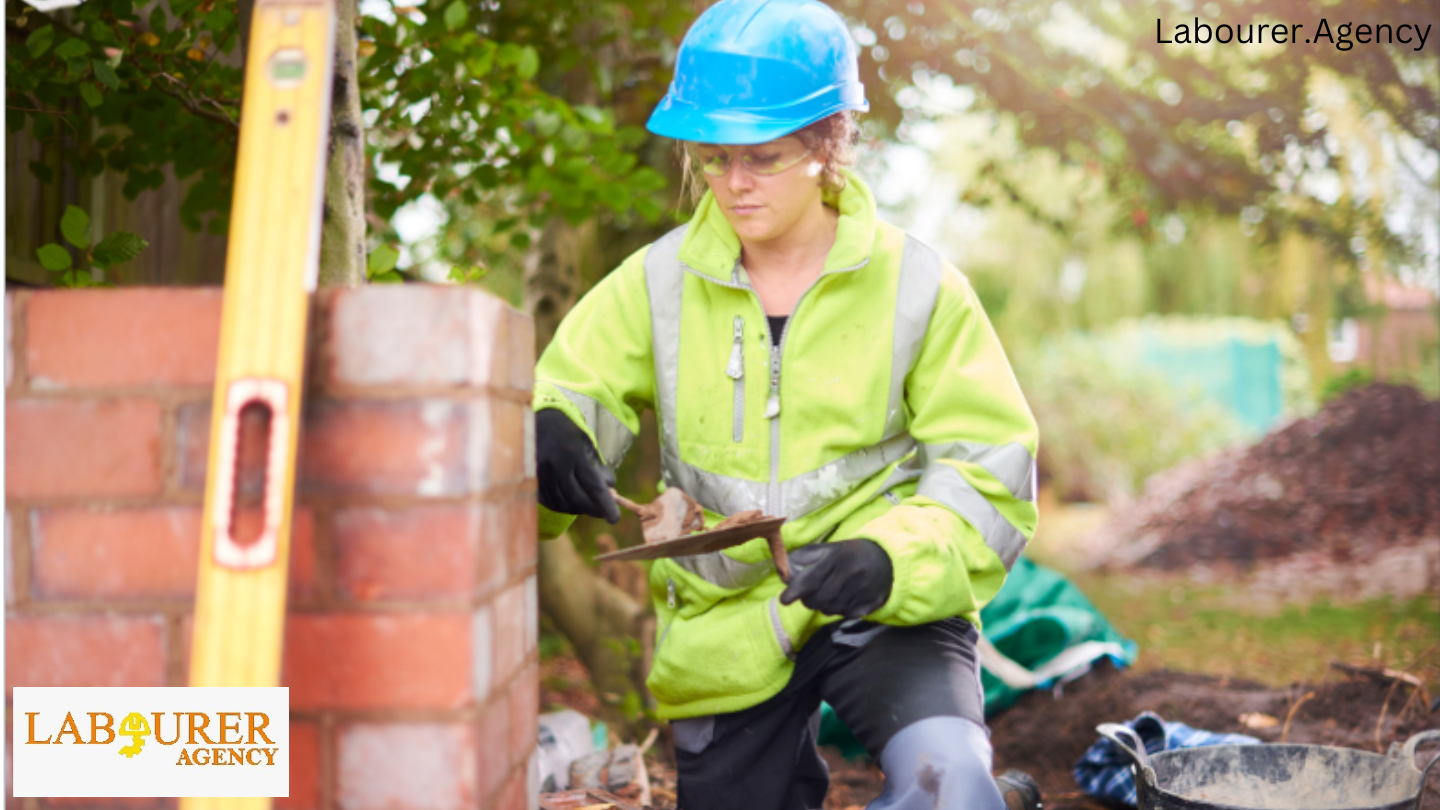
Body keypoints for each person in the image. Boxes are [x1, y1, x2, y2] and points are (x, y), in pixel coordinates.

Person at [532, 0, 1042, 807]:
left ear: (827, 145)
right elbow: (572, 385)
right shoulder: (657, 281)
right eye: (713, 158)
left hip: (885, 603)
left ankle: (982, 796)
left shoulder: (920, 286)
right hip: (727, 629)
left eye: (763, 158)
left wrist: (887, 562)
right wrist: (553, 431)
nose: (733, 185)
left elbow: (992, 474)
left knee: (950, 789)